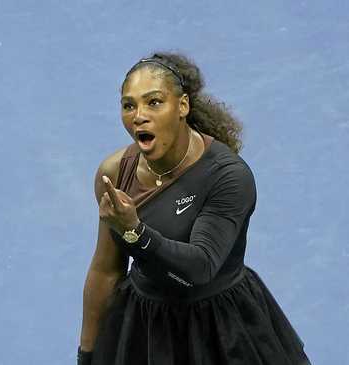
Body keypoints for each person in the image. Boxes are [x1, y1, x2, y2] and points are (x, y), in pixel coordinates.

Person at [78, 52, 310, 365]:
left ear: (182, 106)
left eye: (154, 102)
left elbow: (200, 267)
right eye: (129, 105)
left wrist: (134, 231)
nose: (139, 116)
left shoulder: (229, 176)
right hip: (146, 329)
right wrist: (87, 355)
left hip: (223, 330)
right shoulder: (116, 172)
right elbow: (106, 270)